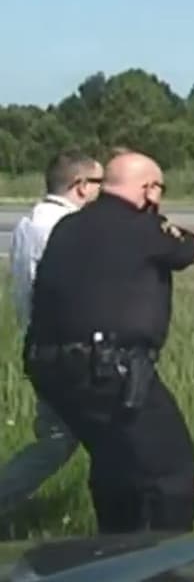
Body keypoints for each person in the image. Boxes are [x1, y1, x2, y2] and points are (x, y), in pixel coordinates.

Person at [21, 151, 194, 534]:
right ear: (148, 190)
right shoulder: (142, 227)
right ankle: (166, 565)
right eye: (158, 189)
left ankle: (114, 556)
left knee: (115, 464)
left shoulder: (69, 226)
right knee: (171, 469)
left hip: (53, 370)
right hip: (109, 369)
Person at [0, 149, 104, 515]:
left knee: (61, 440)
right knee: (69, 441)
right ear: (80, 186)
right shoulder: (64, 228)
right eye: (99, 183)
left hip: (41, 347)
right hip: (66, 352)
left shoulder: (30, 223)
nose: (102, 192)